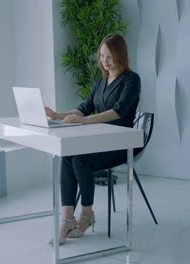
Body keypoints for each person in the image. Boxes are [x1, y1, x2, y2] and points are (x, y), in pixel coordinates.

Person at [46, 33, 141, 245]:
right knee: (68, 156)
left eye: (109, 56)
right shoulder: (100, 81)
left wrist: (87, 121)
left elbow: (119, 111)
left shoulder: (132, 79)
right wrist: (58, 115)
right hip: (99, 140)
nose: (104, 61)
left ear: (120, 55)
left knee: (81, 159)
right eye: (101, 56)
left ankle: (87, 215)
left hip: (121, 143)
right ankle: (67, 219)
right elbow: (84, 108)